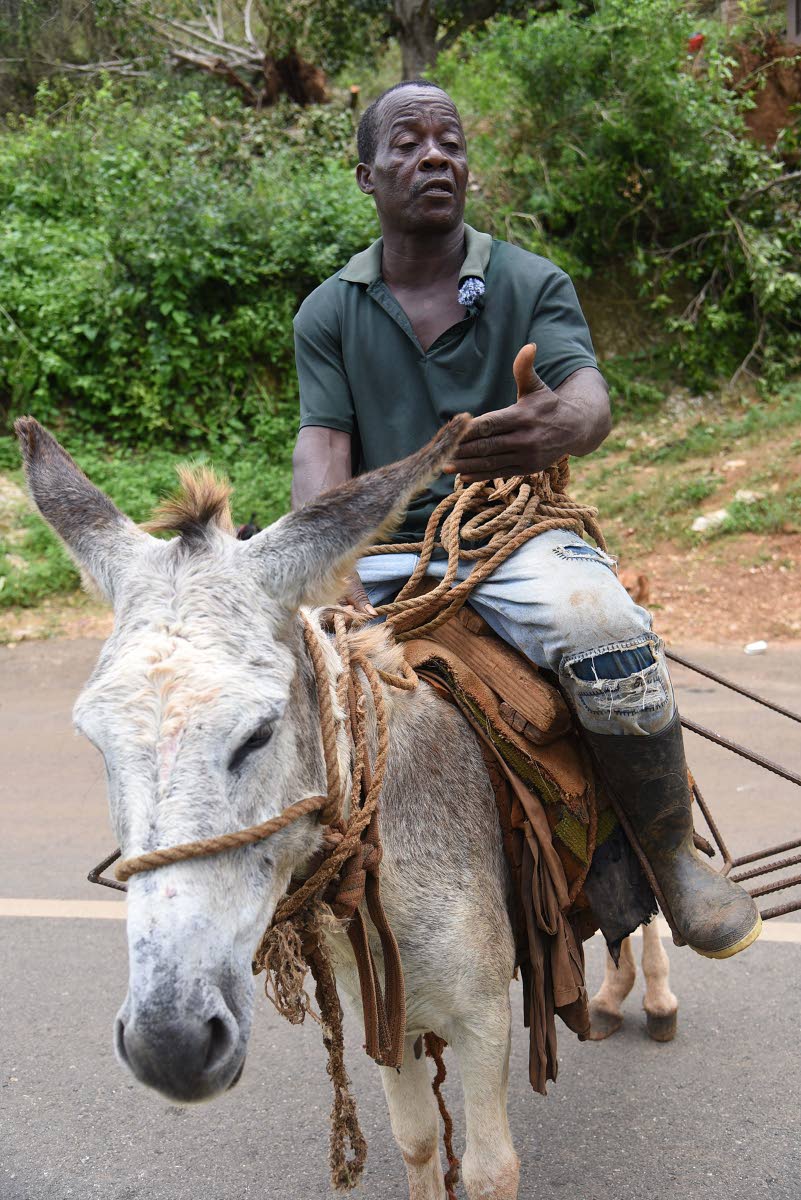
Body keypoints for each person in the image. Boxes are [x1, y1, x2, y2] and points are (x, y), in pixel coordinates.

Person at [290, 79, 760, 959]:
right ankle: (276, 879)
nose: (434, 156)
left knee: (604, 627)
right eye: (406, 143)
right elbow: (323, 445)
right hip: (384, 548)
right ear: (366, 175)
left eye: (449, 141)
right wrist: (329, 568)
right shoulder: (329, 310)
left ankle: (672, 860)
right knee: (264, 670)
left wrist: (562, 422)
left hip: (510, 537)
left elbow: (587, 398)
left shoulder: (530, 280)